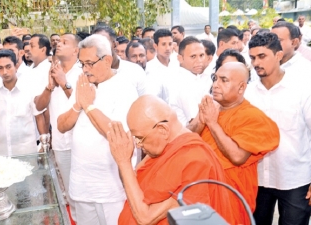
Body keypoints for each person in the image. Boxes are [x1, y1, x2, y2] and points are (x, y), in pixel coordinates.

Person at [109, 95, 234, 224]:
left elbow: (145, 218)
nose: (138, 144)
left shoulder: (196, 161)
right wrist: (124, 160)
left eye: (140, 138)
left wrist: (124, 162)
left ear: (163, 130)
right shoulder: (162, 148)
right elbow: (131, 182)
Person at [57, 34, 138, 225]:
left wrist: (89, 106)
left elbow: (117, 135)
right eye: (82, 64)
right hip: (82, 182)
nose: (85, 69)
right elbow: (61, 125)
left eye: (90, 63)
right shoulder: (83, 83)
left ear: (107, 60)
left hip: (110, 187)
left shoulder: (124, 88)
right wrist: (78, 105)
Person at [192, 62, 280, 225]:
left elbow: (237, 156)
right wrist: (200, 121)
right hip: (201, 194)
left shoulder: (252, 117)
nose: (215, 85)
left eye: (223, 80)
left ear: (241, 88)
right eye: (215, 78)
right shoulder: (212, 109)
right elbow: (185, 140)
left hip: (231, 200)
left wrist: (212, 124)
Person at [246, 32, 311, 225]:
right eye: (252, 57)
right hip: (256, 179)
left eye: (262, 56)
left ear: (278, 55)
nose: (256, 62)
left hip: (295, 179)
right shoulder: (248, 93)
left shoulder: (302, 89)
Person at [34, 33, 82, 221]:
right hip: (61, 144)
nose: (58, 44)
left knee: (81, 195)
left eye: (64, 42)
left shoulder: (82, 72)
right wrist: (50, 86)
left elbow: (84, 105)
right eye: (58, 42)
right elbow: (39, 106)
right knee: (69, 196)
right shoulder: (52, 71)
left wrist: (64, 82)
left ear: (76, 50)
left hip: (80, 143)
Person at [93, 26, 147, 96]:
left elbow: (145, 101)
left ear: (115, 44)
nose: (99, 47)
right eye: (95, 43)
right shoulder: (88, 74)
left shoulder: (135, 71)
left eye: (104, 42)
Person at [169, 36, 209, 126]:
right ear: (180, 58)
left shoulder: (193, 77)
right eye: (193, 56)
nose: (199, 61)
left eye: (201, 55)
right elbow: (196, 123)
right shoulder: (184, 84)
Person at [145, 29, 180, 103]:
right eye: (163, 44)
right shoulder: (150, 68)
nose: (167, 48)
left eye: (170, 44)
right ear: (155, 46)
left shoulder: (178, 62)